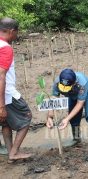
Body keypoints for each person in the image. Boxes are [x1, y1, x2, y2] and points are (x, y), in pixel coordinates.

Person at [0, 17, 32, 162]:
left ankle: (10, 152)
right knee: (26, 116)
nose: (16, 36)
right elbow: (1, 76)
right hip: (6, 93)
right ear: (11, 31)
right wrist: (1, 104)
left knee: (5, 122)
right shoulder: (5, 48)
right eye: (16, 33)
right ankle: (14, 152)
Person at [46, 68, 88, 153]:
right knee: (73, 117)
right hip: (72, 95)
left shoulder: (82, 84)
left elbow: (80, 103)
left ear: (74, 83)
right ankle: (76, 139)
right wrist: (50, 117)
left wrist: (66, 119)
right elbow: (53, 99)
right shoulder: (57, 82)